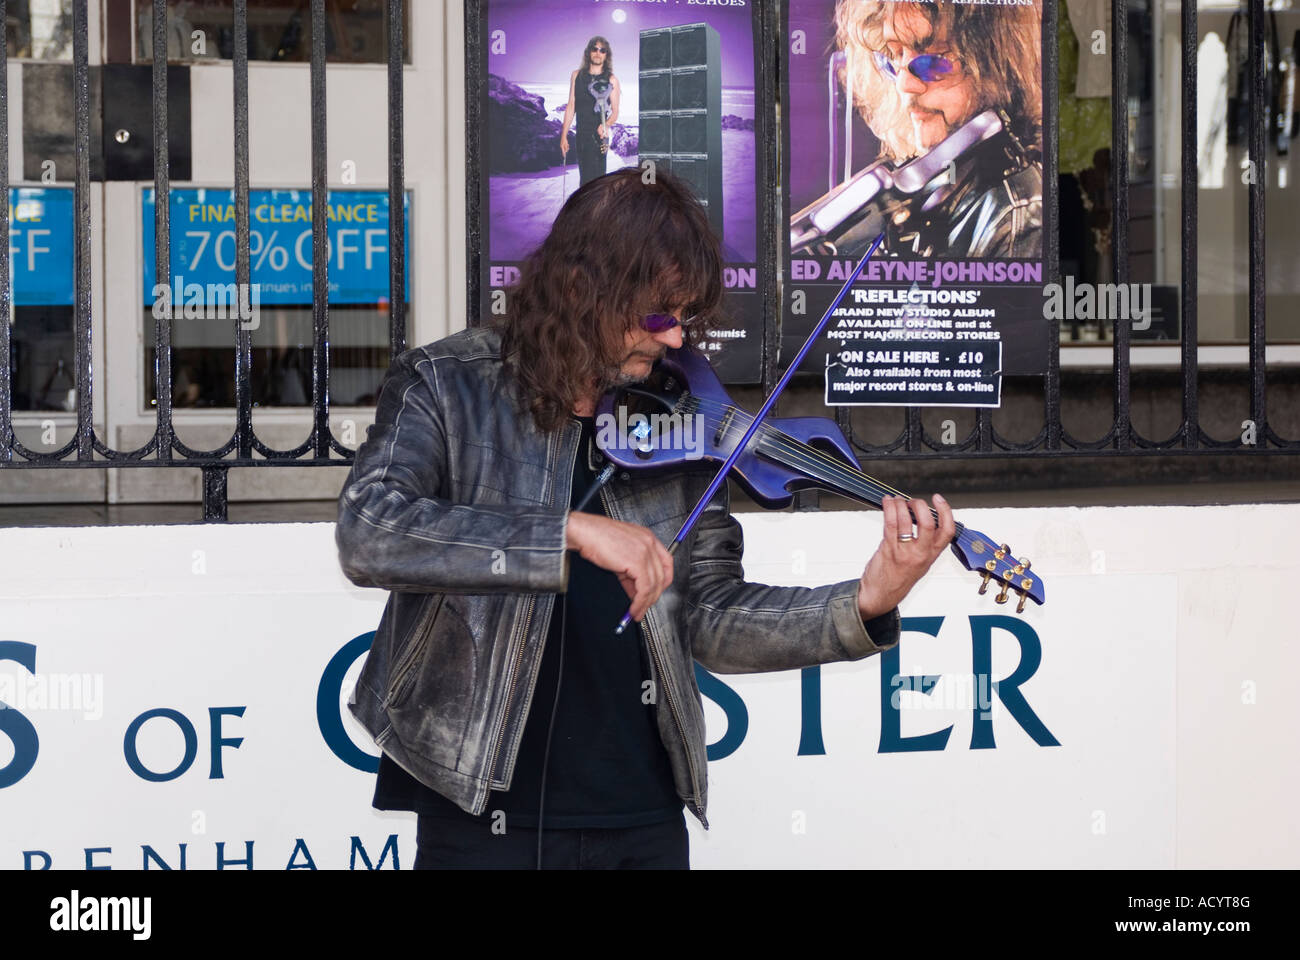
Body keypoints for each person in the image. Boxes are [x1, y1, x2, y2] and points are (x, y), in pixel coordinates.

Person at [335, 168, 955, 870]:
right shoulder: (448, 387)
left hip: (640, 820)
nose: (673, 340)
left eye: (684, 318)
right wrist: (566, 531)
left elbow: (708, 616)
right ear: (582, 289)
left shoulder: (677, 418)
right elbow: (369, 531)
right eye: (659, 315)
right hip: (479, 812)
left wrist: (868, 600)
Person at [802, 0, 1043, 258]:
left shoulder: (1019, 216)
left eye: (931, 62)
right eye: (893, 58)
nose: (903, 84)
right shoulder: (933, 182)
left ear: (993, 65)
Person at [559, 36, 621, 186]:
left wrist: (606, 125)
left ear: (607, 55)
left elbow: (615, 111)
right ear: (589, 52)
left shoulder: (611, 80)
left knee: (597, 183)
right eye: (595, 49)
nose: (598, 53)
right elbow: (571, 106)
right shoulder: (576, 75)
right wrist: (563, 136)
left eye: (602, 50)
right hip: (581, 137)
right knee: (584, 181)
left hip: (599, 137)